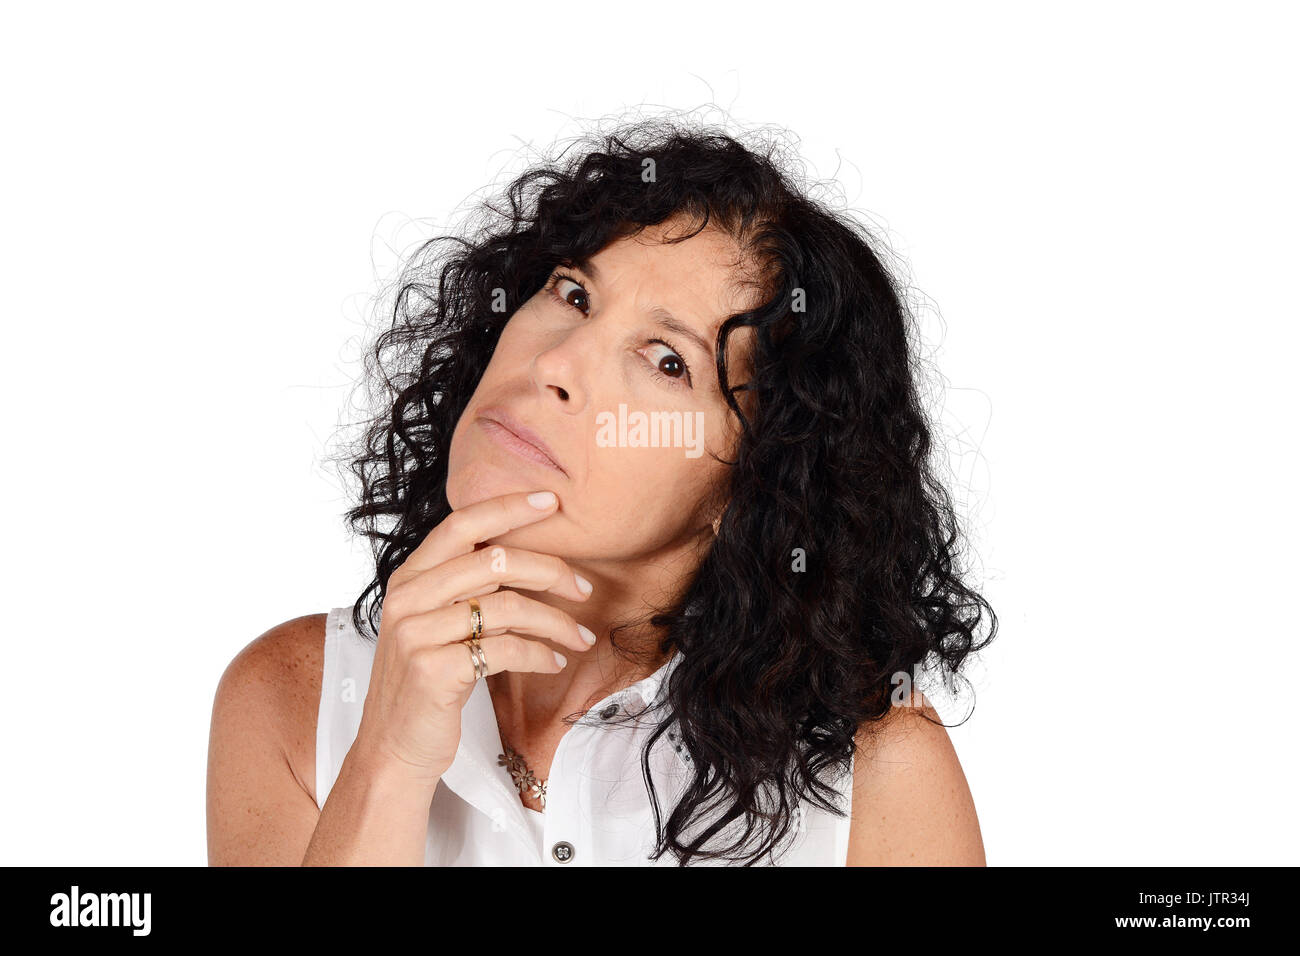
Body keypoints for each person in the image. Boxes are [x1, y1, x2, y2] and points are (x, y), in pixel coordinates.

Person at [206, 117, 997, 866]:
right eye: (572, 294)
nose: (555, 365)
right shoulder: (293, 695)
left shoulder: (877, 776)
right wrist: (386, 761)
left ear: (756, 482)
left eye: (664, 360)